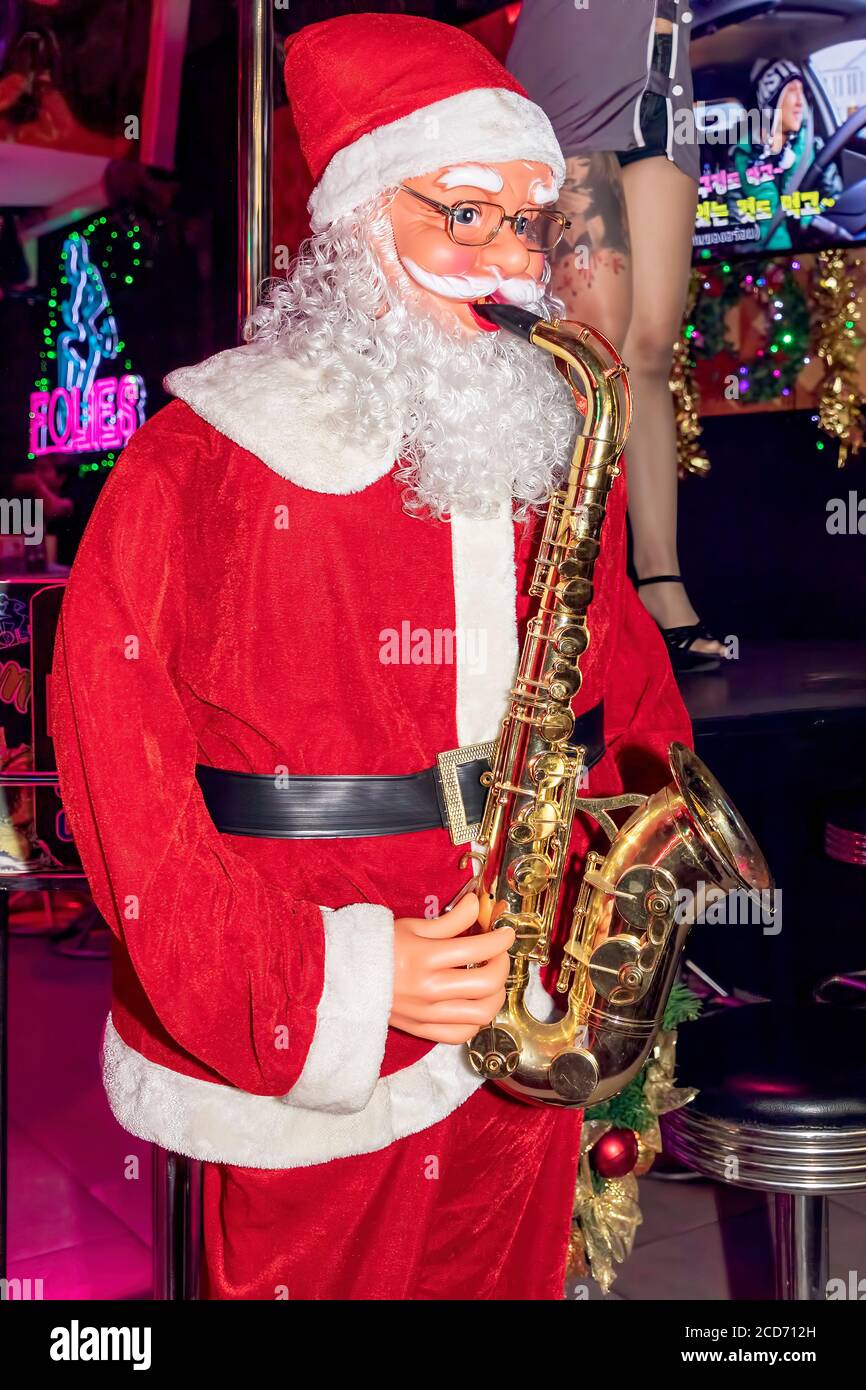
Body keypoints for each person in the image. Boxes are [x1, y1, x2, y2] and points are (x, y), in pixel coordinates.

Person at [51, 13, 689, 1300]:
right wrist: (340, 978)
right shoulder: (200, 459)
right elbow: (120, 786)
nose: (511, 266)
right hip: (324, 1058)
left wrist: (634, 898)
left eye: (528, 224)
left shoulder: (547, 436)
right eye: (463, 216)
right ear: (350, 223)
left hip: (530, 1017)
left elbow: (617, 671)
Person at [508, 0, 724, 673]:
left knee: (651, 347)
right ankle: (580, 589)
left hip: (663, 85)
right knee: (592, 346)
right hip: (574, 76)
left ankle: (659, 583)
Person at [731, 60, 843, 253]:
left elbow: (838, 207)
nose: (801, 102)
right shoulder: (738, 160)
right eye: (791, 90)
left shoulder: (815, 149)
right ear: (770, 100)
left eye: (801, 90)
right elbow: (735, 233)